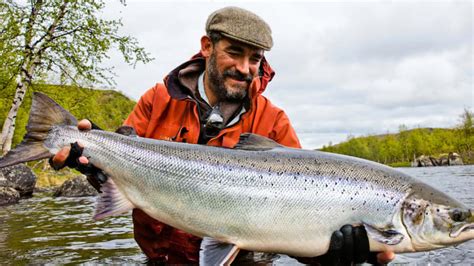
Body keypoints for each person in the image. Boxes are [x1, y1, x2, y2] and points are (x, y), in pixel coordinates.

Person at [51, 6, 395, 265]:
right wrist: (95, 164)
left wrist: (329, 253)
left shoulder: (273, 122)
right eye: (234, 52)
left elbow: (297, 219)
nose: (245, 68)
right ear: (207, 47)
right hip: (162, 260)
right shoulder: (157, 100)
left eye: (255, 59)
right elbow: (123, 175)